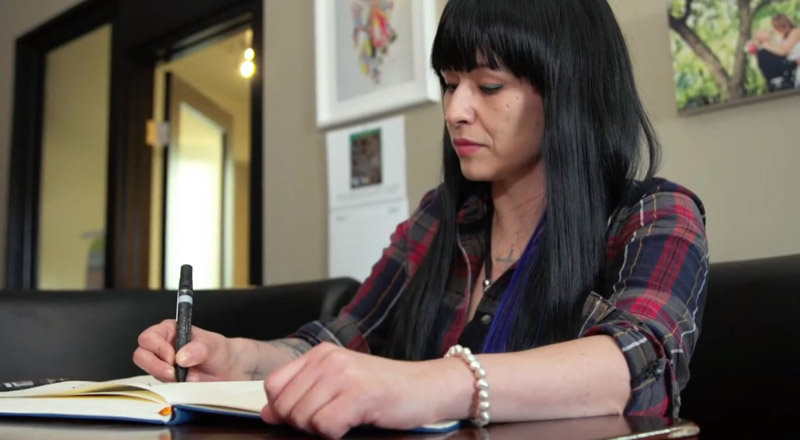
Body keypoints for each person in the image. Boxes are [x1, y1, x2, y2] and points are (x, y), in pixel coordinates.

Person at [134, 1, 708, 438]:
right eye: (450, 84)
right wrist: (243, 358)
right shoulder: (442, 219)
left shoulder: (655, 215)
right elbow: (345, 338)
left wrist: (431, 384)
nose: (457, 111)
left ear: (569, 90)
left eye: (488, 86)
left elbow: (631, 364)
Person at [750, 14, 800, 90]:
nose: (773, 29)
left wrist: (765, 45)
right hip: (791, 71)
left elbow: (784, 51)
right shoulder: (779, 38)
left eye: (775, 26)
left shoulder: (795, 31)